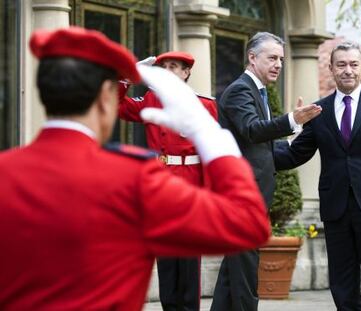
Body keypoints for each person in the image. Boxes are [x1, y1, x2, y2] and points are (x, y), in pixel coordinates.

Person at [0, 26, 271, 311]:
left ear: (42, 92)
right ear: (106, 96)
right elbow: (247, 225)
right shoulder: (135, 180)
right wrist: (210, 137)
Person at [274, 41, 361, 310]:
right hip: (336, 207)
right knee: (342, 282)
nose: (347, 70)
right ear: (332, 69)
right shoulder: (318, 111)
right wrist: (255, 148)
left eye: (353, 64)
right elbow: (295, 154)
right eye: (341, 65)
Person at [210, 32, 322, 311]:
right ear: (252, 57)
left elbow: (268, 152)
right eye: (272, 58)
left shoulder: (257, 92)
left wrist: (307, 135)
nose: (278, 64)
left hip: (253, 196)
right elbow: (252, 130)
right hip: (240, 197)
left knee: (233, 275)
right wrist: (292, 120)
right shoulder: (240, 90)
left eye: (281, 59)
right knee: (246, 275)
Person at [118, 51, 217, 311]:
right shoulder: (151, 100)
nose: (169, 71)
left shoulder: (205, 105)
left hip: (191, 188)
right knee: (166, 261)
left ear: (186, 73)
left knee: (188, 262)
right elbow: (116, 106)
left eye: (175, 67)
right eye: (164, 67)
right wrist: (127, 77)